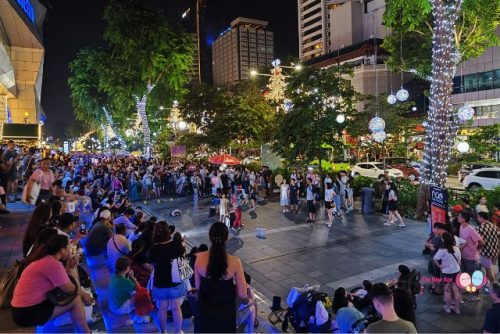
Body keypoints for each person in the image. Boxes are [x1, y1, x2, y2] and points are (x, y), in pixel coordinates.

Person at [11, 235, 91, 333]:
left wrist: (70, 269)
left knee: (74, 297)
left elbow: (65, 282)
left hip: (20, 310)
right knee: (76, 300)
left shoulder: (46, 260)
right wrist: (85, 295)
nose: (70, 249)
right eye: (68, 247)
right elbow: (70, 288)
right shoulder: (52, 264)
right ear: (62, 250)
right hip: (26, 312)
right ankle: (86, 332)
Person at [194, 222, 248, 333]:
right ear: (227, 238)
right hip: (225, 313)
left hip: (204, 311)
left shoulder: (199, 259)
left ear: (209, 237)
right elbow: (243, 294)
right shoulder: (235, 262)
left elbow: (198, 286)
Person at [148, 221, 185, 333]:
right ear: (168, 231)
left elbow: (150, 263)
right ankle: (178, 331)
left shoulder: (154, 248)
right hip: (175, 281)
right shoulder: (176, 245)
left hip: (160, 281)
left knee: (162, 308)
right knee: (176, 307)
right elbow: (182, 258)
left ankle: (163, 331)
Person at [107, 257, 152, 324]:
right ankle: (139, 317)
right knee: (143, 293)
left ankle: (138, 312)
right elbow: (140, 289)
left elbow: (126, 286)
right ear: (127, 268)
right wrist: (133, 277)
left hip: (113, 306)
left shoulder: (115, 276)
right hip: (119, 309)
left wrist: (129, 277)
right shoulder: (124, 281)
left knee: (135, 292)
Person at [459, 211, 485, 302]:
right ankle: (468, 288)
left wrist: (475, 249)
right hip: (464, 256)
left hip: (472, 258)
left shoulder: (471, 229)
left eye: (459, 216)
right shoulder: (461, 227)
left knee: (475, 277)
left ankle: (476, 295)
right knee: (466, 275)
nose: (458, 218)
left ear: (464, 219)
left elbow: (481, 242)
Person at [433, 232, 462, 314]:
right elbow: (459, 261)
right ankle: (457, 309)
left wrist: (439, 266)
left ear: (444, 240)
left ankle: (448, 308)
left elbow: (435, 259)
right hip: (456, 271)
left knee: (447, 290)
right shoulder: (456, 248)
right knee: (456, 290)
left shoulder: (442, 250)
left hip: (446, 273)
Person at [476, 212, 500, 286]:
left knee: (488, 269)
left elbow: (478, 241)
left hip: (485, 251)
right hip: (495, 251)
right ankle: (488, 283)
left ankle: (494, 285)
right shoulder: (495, 227)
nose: (477, 218)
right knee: (488, 268)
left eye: (478, 217)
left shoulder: (479, 228)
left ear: (482, 217)